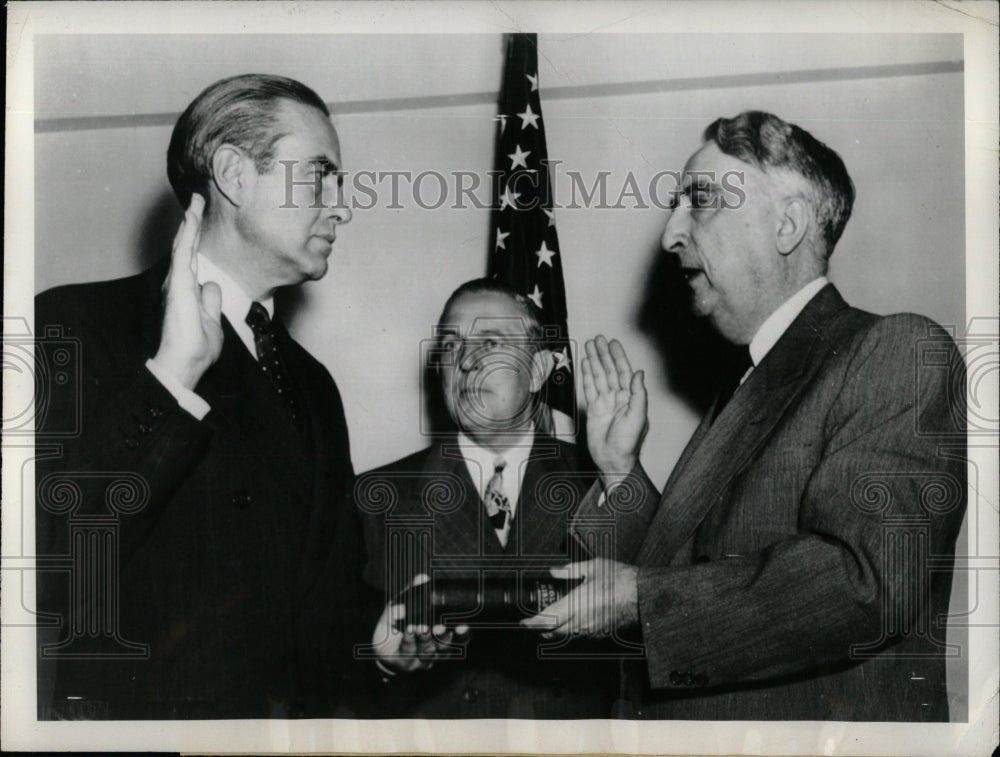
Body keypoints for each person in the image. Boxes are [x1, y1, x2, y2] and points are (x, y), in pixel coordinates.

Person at [522, 111, 968, 721]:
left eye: (699, 202)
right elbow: (685, 572)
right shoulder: (747, 383)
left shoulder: (896, 351)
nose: (670, 235)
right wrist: (622, 474)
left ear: (787, 223)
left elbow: (862, 582)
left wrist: (639, 600)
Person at [34, 74, 364, 719]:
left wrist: (378, 637)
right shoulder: (74, 326)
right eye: (319, 175)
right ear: (235, 176)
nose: (341, 205)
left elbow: (313, 584)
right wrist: (169, 378)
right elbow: (51, 566)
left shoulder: (313, 382)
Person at [357, 279, 635, 718]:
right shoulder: (376, 499)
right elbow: (323, 668)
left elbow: (660, 610)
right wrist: (383, 664)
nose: (466, 363)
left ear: (539, 371)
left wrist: (621, 474)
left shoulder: (600, 482)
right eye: (451, 346)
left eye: (490, 342)